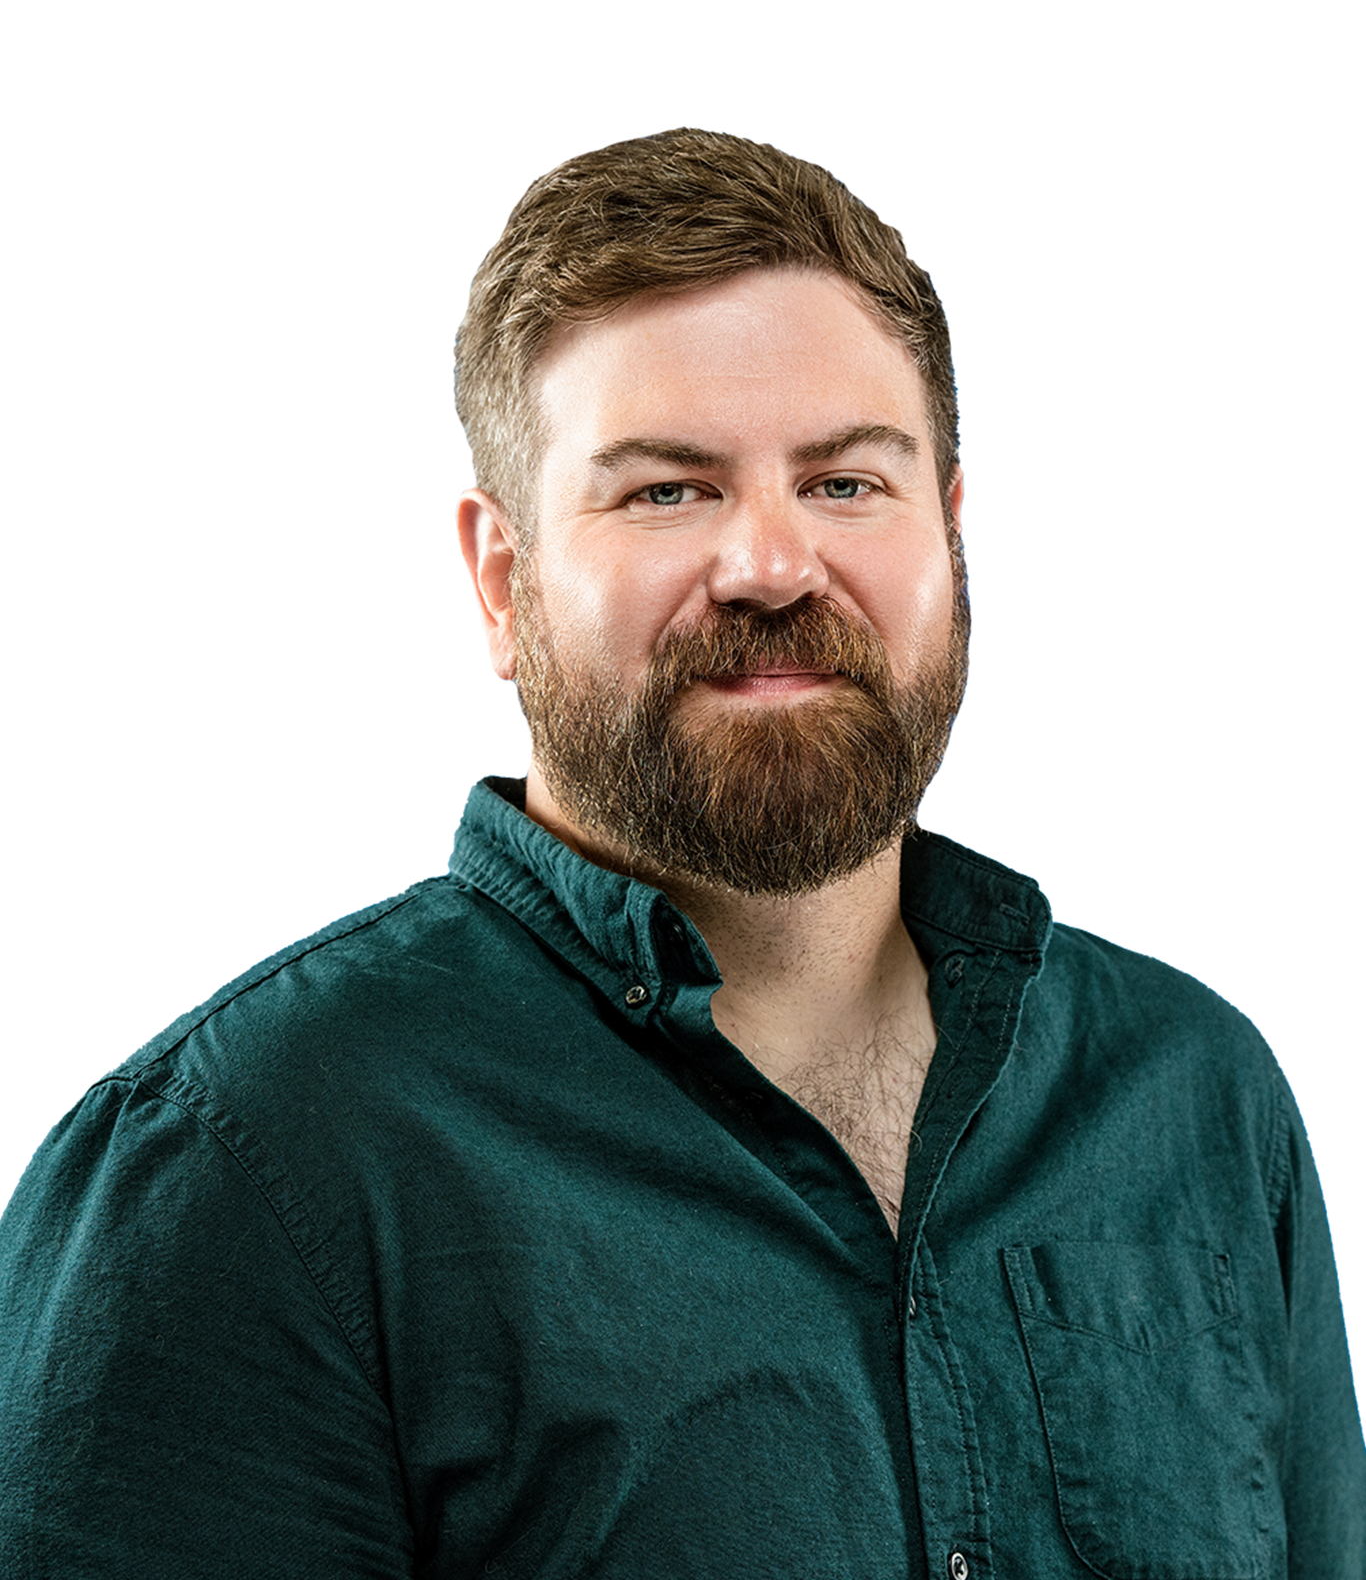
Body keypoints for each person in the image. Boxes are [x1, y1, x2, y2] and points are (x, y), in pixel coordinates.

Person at [0, 126, 1360, 1578]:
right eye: (668, 489)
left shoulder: (1184, 1089)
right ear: (503, 579)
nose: (773, 565)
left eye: (845, 483)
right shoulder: (250, 1160)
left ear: (949, 534)